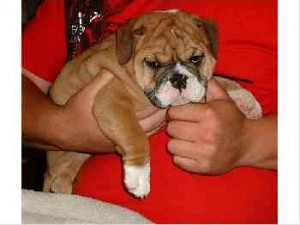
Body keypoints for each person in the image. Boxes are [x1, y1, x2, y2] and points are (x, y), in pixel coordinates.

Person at [22, 0, 277, 223]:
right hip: (70, 209)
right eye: (155, 63)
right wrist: (63, 128)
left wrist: (248, 142)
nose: (178, 79)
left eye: (195, 59)